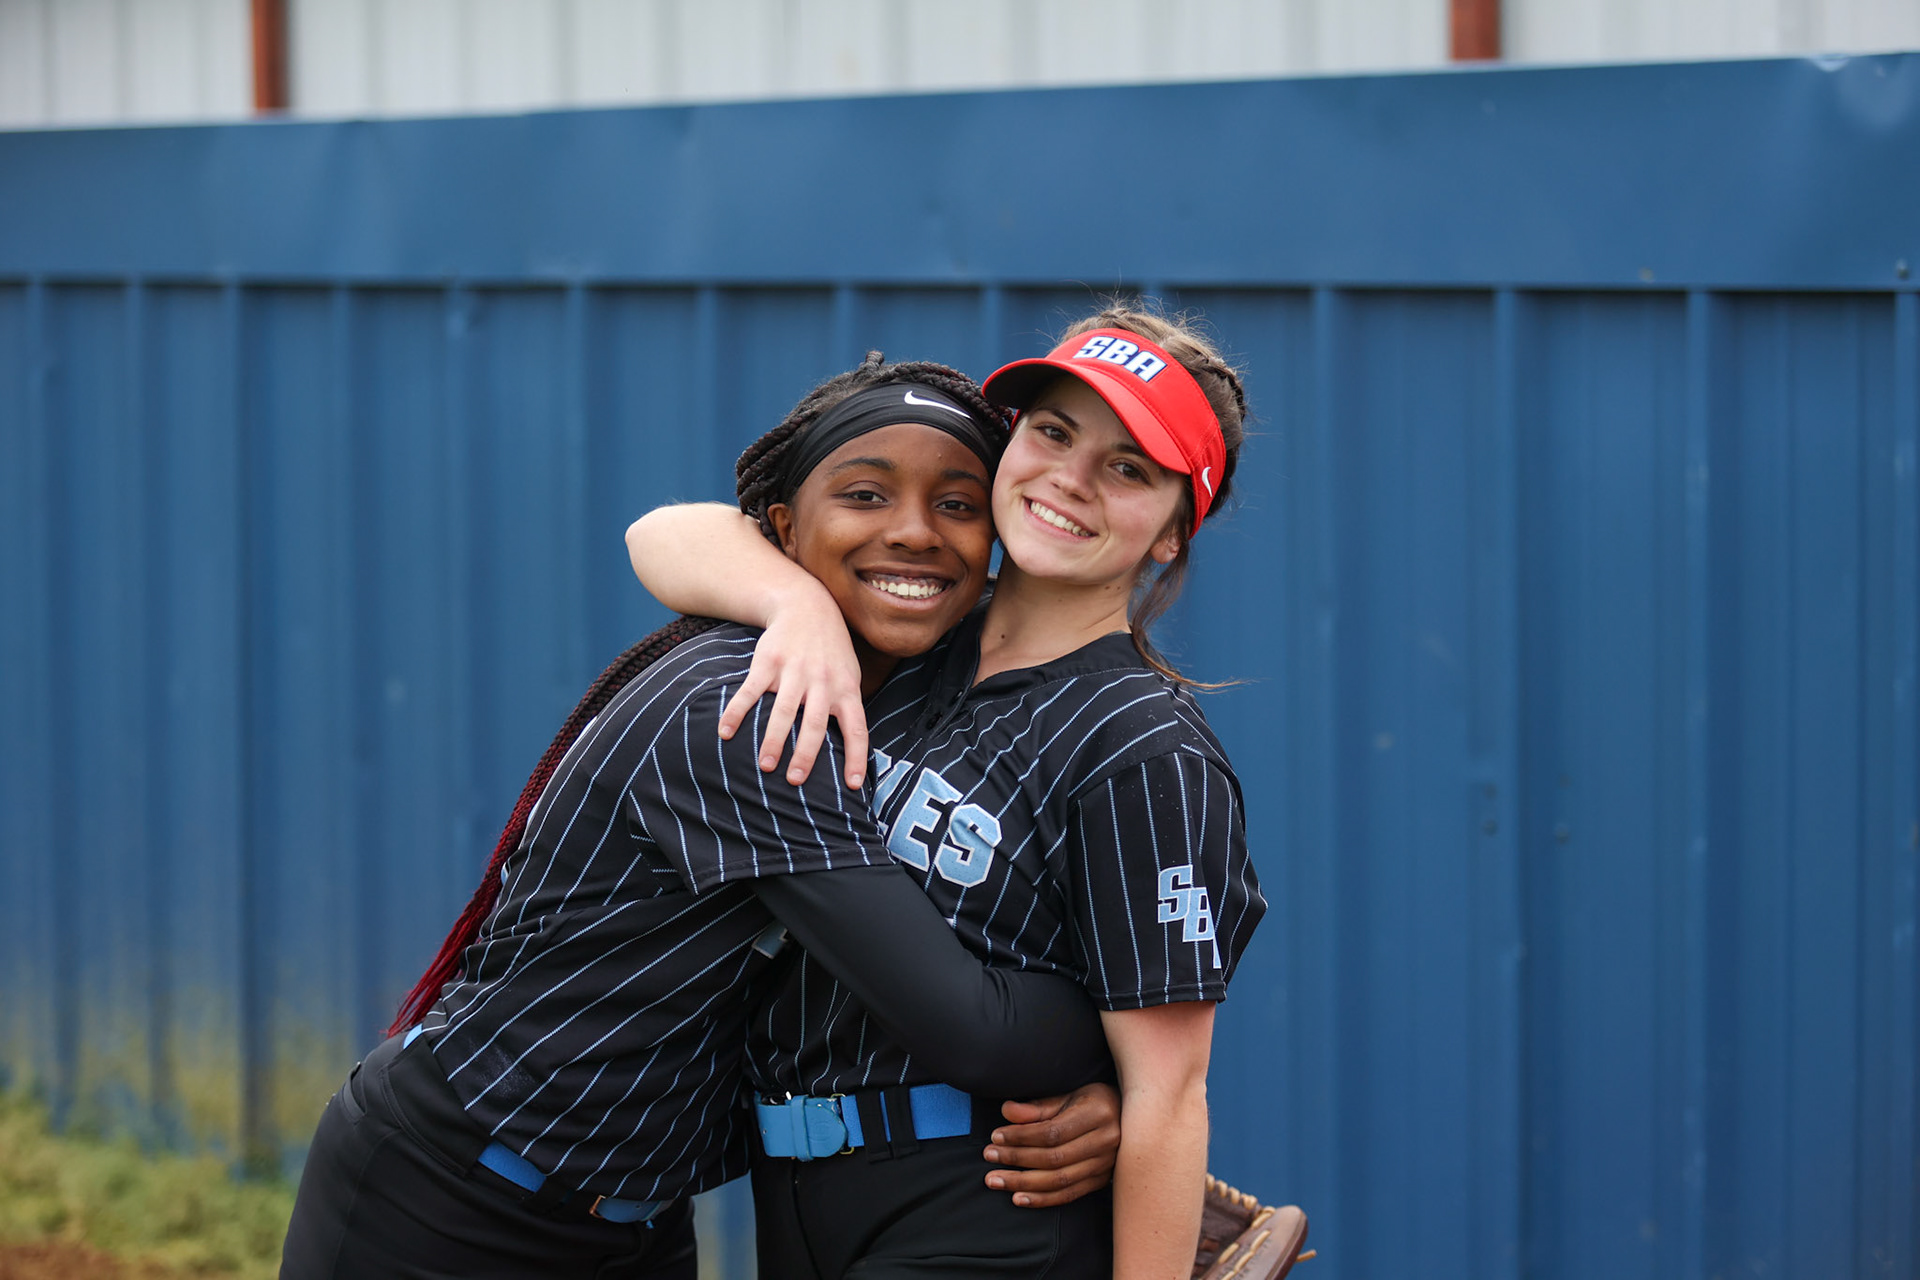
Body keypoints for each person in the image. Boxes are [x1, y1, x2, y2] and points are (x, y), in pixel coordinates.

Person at [278, 356, 1121, 1280]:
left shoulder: (921, 681)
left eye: (958, 505)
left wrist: (1098, 1105)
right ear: (785, 531)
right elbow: (973, 1028)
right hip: (452, 1197)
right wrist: (1139, 1054)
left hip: (638, 1215)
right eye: (867, 495)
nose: (914, 532)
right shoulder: (741, 709)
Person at [623, 302, 1268, 1278]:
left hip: (982, 1207)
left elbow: (1172, 1093)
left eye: (1127, 467)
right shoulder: (906, 631)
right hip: (794, 1190)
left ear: (1173, 534)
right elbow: (666, 535)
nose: (1069, 478)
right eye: (1053, 431)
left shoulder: (1143, 748)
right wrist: (792, 599)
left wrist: (1119, 1103)